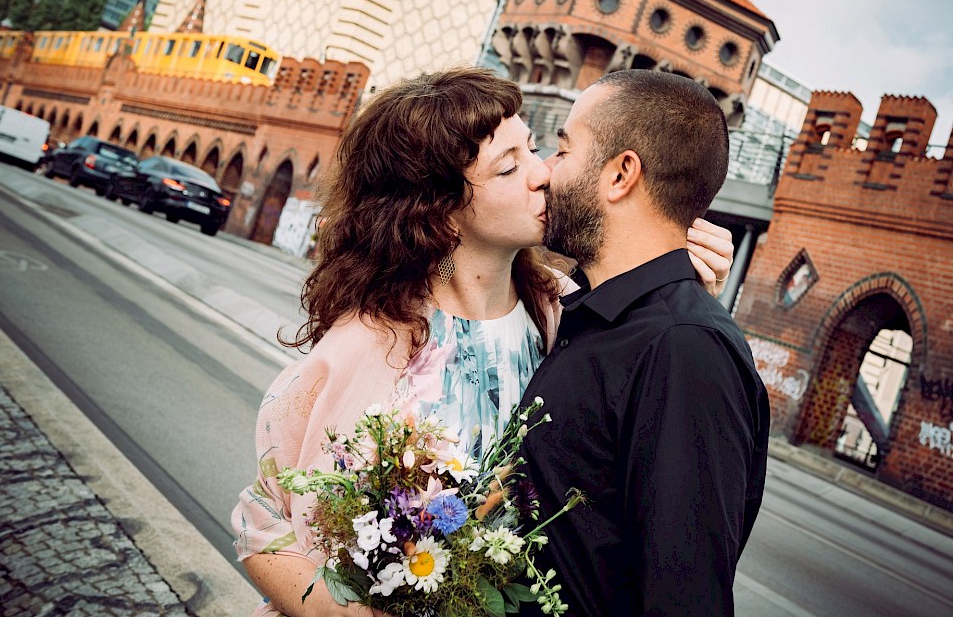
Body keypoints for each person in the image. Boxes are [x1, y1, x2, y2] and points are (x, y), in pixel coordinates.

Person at [231, 67, 735, 617]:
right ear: (441, 207)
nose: (542, 174)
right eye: (509, 166)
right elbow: (261, 531)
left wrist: (682, 286)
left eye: (537, 150)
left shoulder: (566, 316)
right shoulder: (368, 342)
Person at [518, 70, 770, 616]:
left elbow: (684, 596)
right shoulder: (591, 313)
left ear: (621, 174)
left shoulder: (683, 349)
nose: (545, 172)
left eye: (563, 150)